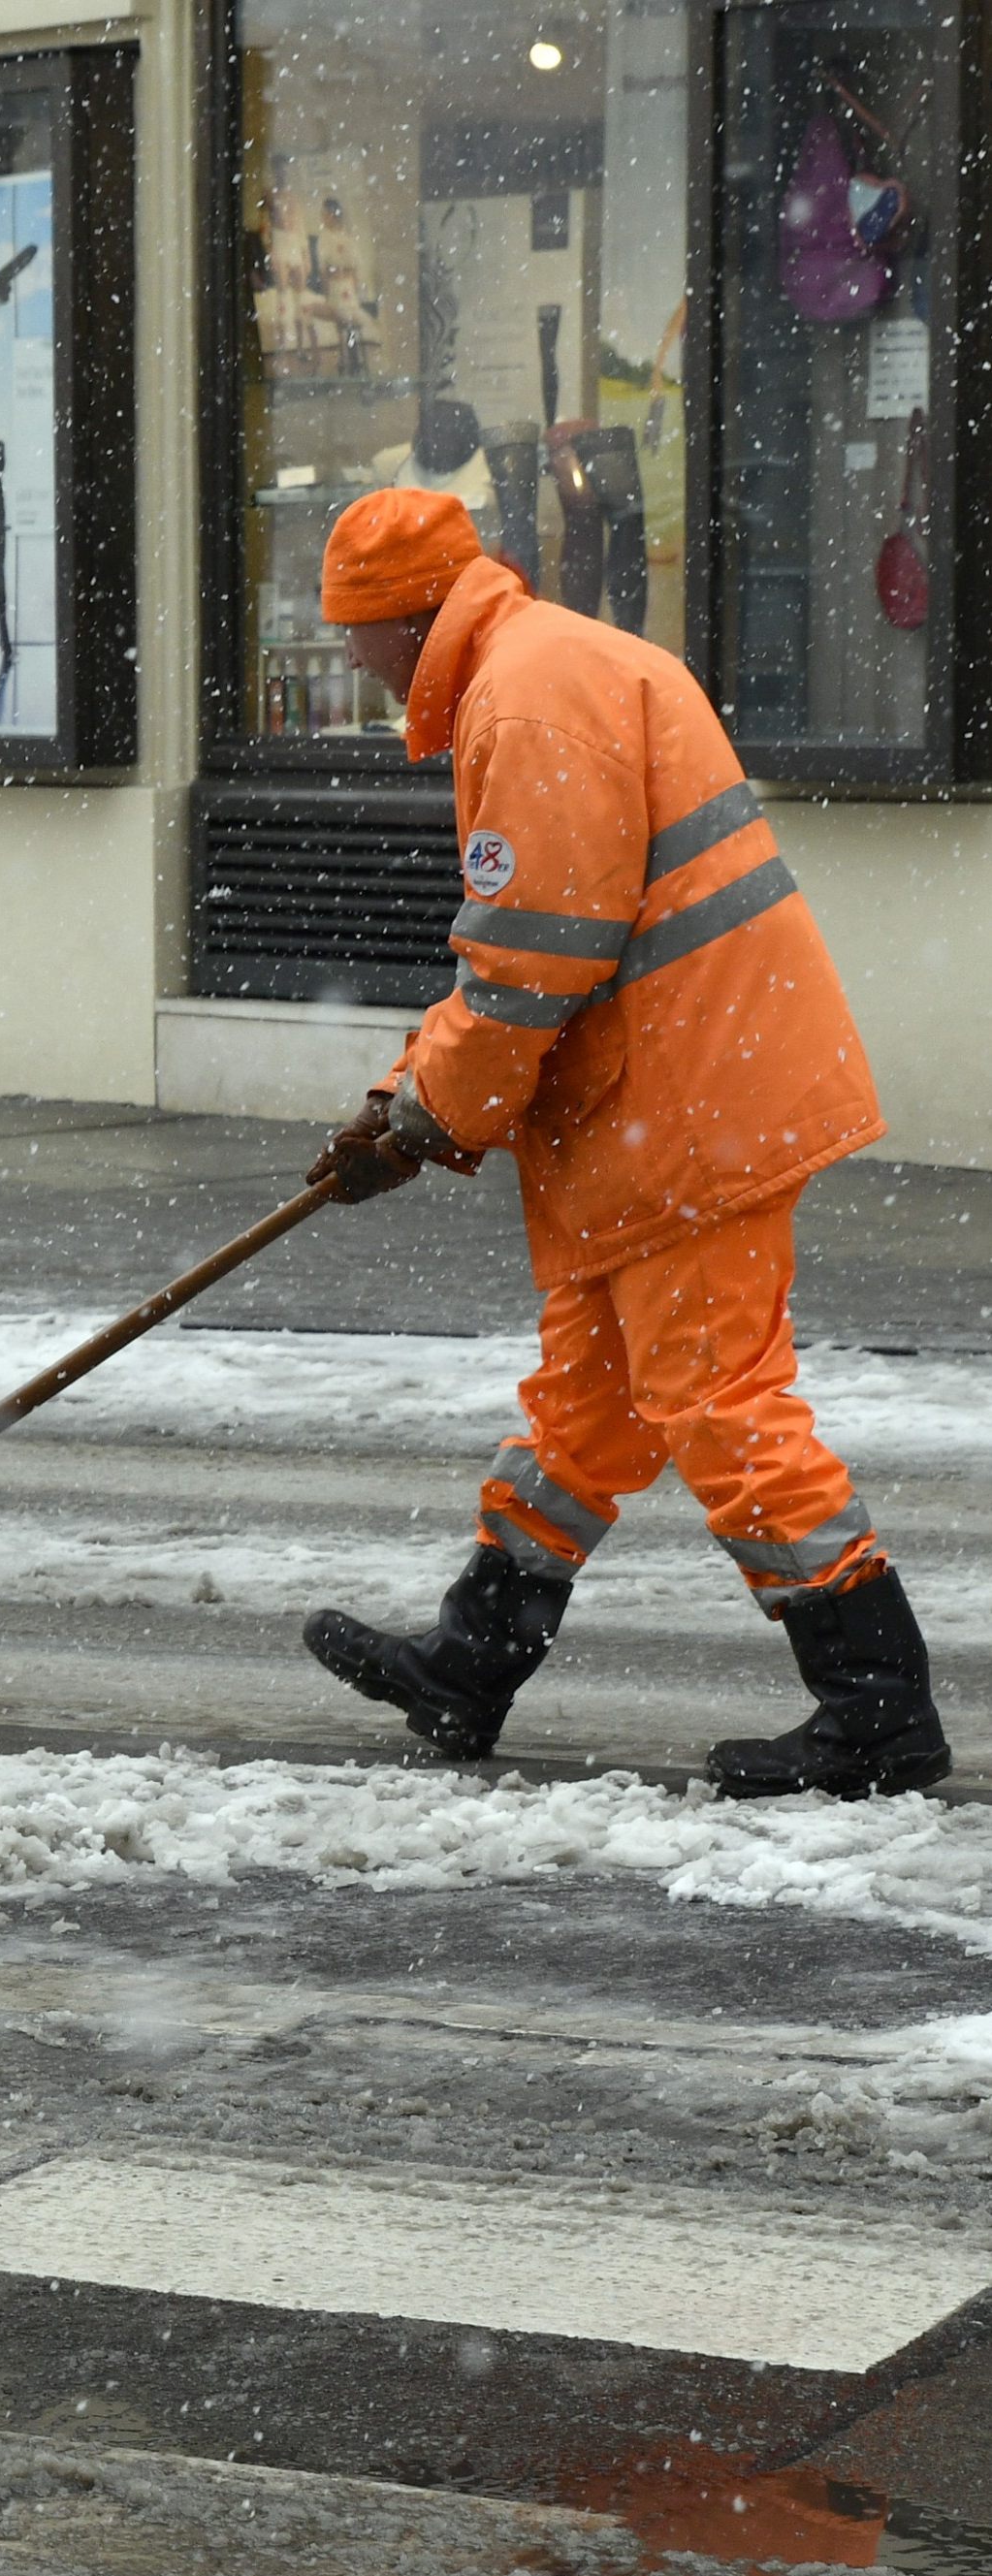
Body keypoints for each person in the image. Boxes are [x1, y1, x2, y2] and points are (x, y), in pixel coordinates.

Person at [295, 488, 947, 1804]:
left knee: (716, 1403)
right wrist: (401, 1095)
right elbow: (526, 947)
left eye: (352, 636)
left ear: (401, 619)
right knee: (588, 1403)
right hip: (666, 1098)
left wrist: (420, 1118)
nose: (349, 666)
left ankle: (876, 1714)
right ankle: (468, 1666)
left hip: (684, 1110)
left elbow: (532, 960)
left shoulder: (524, 700)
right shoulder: (547, 663)